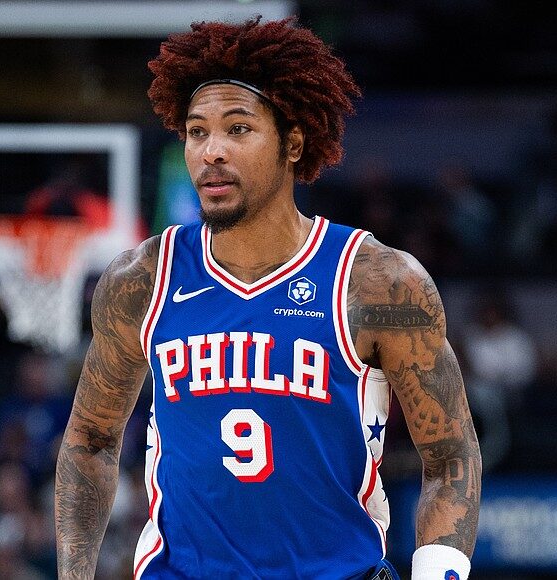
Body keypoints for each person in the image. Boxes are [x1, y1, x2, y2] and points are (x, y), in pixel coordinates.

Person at [55, 17, 481, 580]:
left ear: (293, 143)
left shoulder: (378, 282)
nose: (211, 151)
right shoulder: (142, 280)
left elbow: (451, 456)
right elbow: (90, 440)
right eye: (197, 132)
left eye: (238, 129)